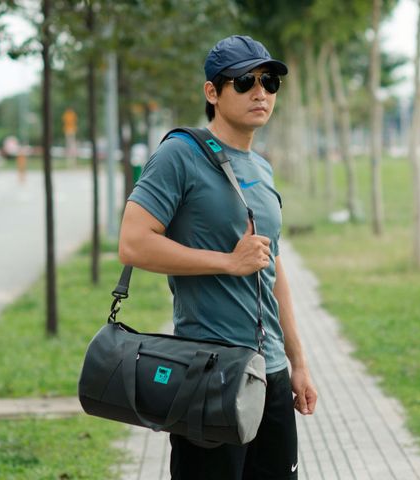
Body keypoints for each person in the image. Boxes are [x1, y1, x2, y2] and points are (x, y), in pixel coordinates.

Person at [119, 34, 317, 480]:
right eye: (245, 81)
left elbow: (272, 267)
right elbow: (132, 243)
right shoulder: (180, 155)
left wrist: (298, 364)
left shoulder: (262, 168)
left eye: (269, 82)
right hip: (210, 374)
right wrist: (227, 262)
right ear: (212, 92)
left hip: (270, 373)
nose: (260, 92)